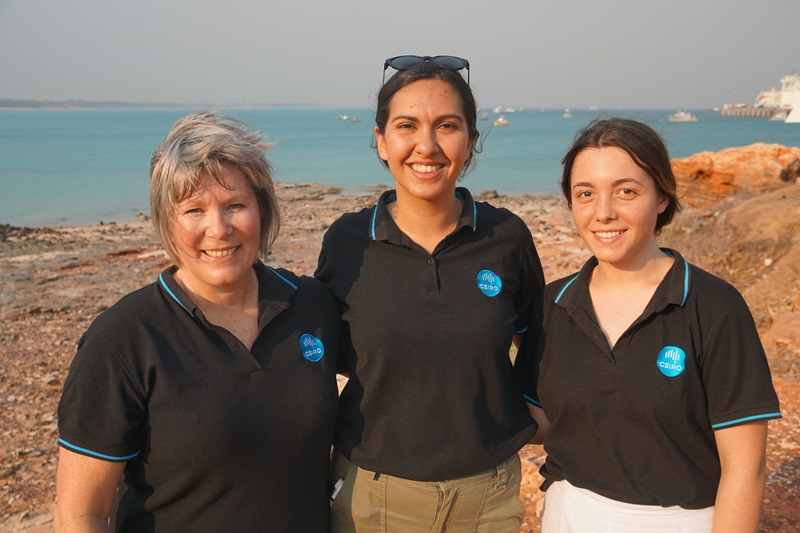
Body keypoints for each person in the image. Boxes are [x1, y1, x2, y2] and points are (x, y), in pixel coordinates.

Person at [55, 111, 340, 532]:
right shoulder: (123, 339)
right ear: (167, 223)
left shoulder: (312, 305)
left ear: (262, 209)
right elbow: (81, 515)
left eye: (235, 205)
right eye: (194, 210)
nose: (218, 229)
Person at [515, 117, 782, 532]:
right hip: (570, 513)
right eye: (586, 194)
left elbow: (746, 469)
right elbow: (547, 419)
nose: (604, 213)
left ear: (661, 197)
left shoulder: (714, 307)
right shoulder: (553, 303)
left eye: (626, 191)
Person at [315, 55, 545, 532]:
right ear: (381, 141)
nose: (427, 145)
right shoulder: (346, 242)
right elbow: (317, 357)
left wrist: (538, 423)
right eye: (406, 125)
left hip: (488, 498)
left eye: (447, 126)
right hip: (371, 497)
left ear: (470, 142)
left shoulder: (507, 236)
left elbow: (539, 349)